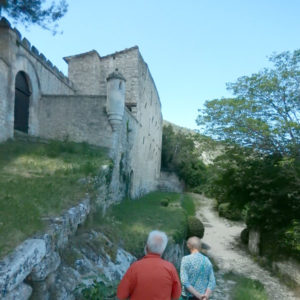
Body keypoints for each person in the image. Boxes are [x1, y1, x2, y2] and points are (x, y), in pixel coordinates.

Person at [117, 230, 182, 300]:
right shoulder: (170, 268)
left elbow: (121, 295)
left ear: (147, 247)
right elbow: (176, 295)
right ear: (163, 250)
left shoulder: (135, 267)